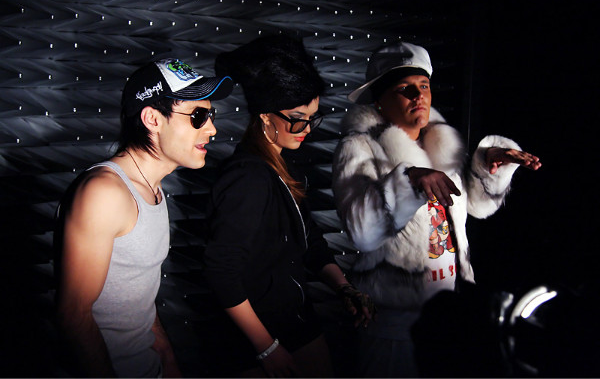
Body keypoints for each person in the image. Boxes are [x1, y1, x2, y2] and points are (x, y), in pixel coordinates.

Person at [331, 42, 541, 377]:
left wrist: (490, 166)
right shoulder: (359, 147)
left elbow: (475, 207)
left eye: (424, 86)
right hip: (395, 323)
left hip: (450, 314)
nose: (418, 96)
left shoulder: (440, 144)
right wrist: (408, 180)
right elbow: (362, 232)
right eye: (405, 89)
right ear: (379, 101)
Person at [203, 34, 375, 378]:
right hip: (260, 341)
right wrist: (266, 346)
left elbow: (310, 241)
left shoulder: (281, 168)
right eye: (297, 118)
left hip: (297, 326)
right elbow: (222, 272)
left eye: (312, 117)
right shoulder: (247, 178)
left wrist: (343, 287)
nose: (307, 129)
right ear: (266, 117)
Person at [53, 58, 233, 377]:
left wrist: (168, 361)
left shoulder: (151, 188)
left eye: (211, 115)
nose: (212, 128)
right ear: (152, 119)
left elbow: (140, 302)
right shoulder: (104, 193)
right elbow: (73, 317)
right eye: (198, 116)